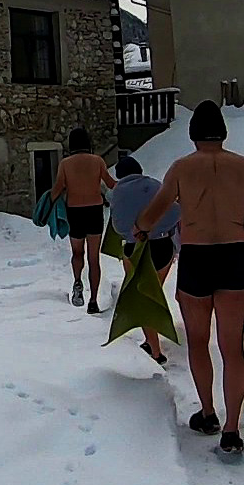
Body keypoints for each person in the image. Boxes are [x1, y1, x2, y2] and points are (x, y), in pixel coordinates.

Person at [135, 100, 244, 455]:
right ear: (223, 133)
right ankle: (231, 430)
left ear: (193, 133)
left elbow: (157, 211)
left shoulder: (182, 168)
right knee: (233, 348)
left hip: (196, 260)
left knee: (198, 342)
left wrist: (140, 228)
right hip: (233, 259)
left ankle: (208, 413)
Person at [107, 154, 179, 365]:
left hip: (135, 249)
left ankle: (156, 351)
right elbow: (176, 212)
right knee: (153, 294)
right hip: (163, 246)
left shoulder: (116, 192)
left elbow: (119, 227)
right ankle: (151, 340)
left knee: (143, 299)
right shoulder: (155, 185)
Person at [48, 127, 116, 312]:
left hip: (74, 212)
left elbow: (58, 188)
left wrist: (47, 205)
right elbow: (111, 184)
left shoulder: (65, 164)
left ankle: (77, 281)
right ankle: (93, 301)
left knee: (77, 253)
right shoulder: (97, 161)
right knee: (94, 258)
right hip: (94, 211)